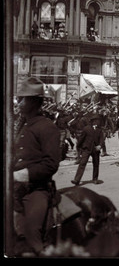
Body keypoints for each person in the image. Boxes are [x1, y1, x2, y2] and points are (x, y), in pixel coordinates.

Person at [13, 77, 61, 255]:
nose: (17, 102)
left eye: (21, 99)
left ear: (33, 101)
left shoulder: (47, 127)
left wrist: (20, 175)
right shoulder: (22, 126)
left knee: (31, 232)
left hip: (36, 189)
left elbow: (51, 164)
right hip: (15, 188)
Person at [71, 114, 104, 185]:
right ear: (93, 121)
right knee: (82, 164)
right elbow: (81, 139)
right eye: (97, 120)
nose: (98, 122)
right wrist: (79, 147)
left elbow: (102, 139)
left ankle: (95, 179)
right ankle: (77, 180)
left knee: (96, 164)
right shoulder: (86, 128)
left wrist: (100, 145)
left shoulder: (100, 130)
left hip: (95, 150)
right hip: (86, 149)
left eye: (99, 121)